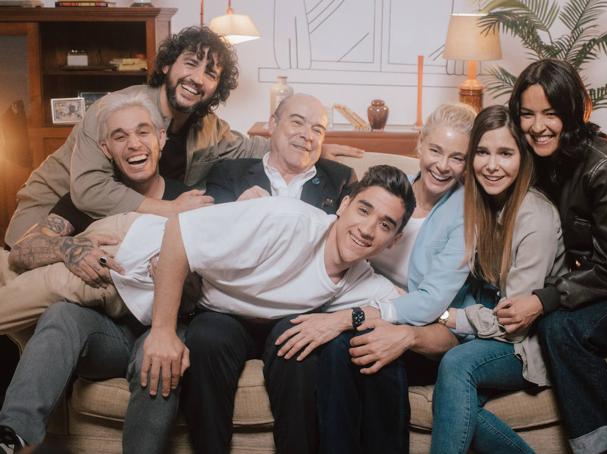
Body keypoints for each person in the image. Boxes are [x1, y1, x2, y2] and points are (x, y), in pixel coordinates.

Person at [120, 166, 414, 454]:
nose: (367, 229)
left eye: (385, 225)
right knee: (207, 339)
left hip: (278, 327)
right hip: (218, 311)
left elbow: (422, 316)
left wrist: (347, 319)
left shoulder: (365, 282)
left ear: (394, 241)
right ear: (344, 205)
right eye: (363, 210)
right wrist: (162, 331)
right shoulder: (284, 219)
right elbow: (179, 231)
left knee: (300, 344)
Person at [4, 26, 359, 248]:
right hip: (48, 213)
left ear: (216, 88)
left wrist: (314, 144)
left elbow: (255, 145)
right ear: (166, 66)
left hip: (117, 230)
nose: (197, 78)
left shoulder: (208, 127)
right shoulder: (117, 110)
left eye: (211, 73)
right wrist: (169, 210)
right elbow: (88, 191)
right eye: (190, 63)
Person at [0, 93, 199, 453]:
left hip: (160, 328)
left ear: (161, 137)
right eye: (120, 137)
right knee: (62, 312)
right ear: (106, 149)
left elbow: (212, 278)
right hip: (105, 336)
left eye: (143, 132)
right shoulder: (86, 201)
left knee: (154, 357)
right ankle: (13, 437)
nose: (134, 144)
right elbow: (21, 252)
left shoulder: (188, 200)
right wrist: (67, 248)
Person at [497, 59, 607, 454]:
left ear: (572, 113)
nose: (538, 125)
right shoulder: (536, 160)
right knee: (557, 329)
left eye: (551, 113)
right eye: (527, 114)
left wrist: (543, 298)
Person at [315, 103, 476, 454]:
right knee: (338, 348)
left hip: (422, 325)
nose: (442, 165)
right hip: (362, 306)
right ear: (419, 145)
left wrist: (367, 314)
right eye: (435, 150)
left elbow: (432, 301)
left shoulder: (466, 214)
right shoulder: (391, 190)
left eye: (457, 157)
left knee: (368, 348)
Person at [428, 105, 566, 454]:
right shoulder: (482, 205)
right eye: (483, 152)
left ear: (523, 159)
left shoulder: (535, 215)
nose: (491, 165)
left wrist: (451, 317)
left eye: (505, 153)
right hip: (492, 334)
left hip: (528, 344)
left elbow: (515, 324)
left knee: (457, 365)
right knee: (459, 408)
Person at [204, 93, 356, 212]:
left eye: (317, 130)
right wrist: (238, 212)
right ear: (273, 124)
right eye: (297, 122)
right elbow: (211, 237)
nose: (308, 136)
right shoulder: (227, 174)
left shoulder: (341, 180)